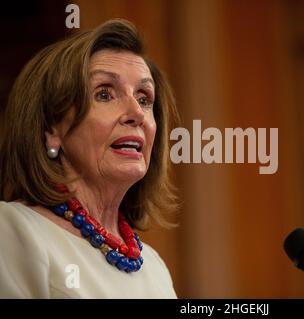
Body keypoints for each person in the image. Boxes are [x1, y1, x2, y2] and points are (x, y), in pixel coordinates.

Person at [0, 19, 179, 298]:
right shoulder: (14, 231)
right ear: (52, 130)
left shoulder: (154, 268)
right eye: (105, 94)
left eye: (144, 98)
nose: (136, 113)